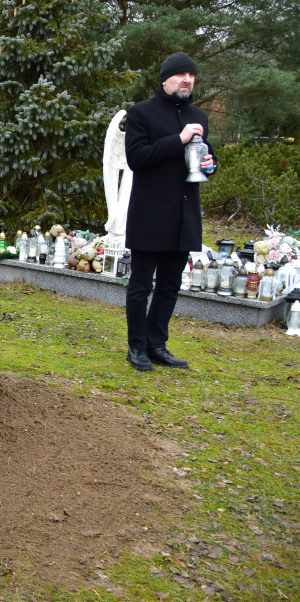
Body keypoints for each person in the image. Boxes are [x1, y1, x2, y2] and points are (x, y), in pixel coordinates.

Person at [123, 52, 216, 371]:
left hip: (185, 216)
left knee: (169, 286)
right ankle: (136, 347)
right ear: (165, 79)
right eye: (180, 75)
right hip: (151, 214)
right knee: (140, 286)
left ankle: (156, 345)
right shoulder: (141, 113)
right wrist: (179, 139)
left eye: (191, 76)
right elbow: (137, 158)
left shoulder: (200, 117)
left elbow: (206, 154)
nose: (187, 80)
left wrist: (210, 164)